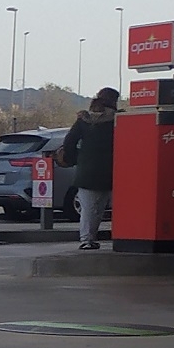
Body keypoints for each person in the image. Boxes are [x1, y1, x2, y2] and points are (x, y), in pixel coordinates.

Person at [57, 87, 120, 249]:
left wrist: (76, 159)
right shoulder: (118, 120)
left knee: (88, 208)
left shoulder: (83, 120)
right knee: (107, 208)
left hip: (87, 172)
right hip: (112, 171)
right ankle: (106, 237)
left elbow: (69, 142)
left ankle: (87, 239)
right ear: (114, 101)